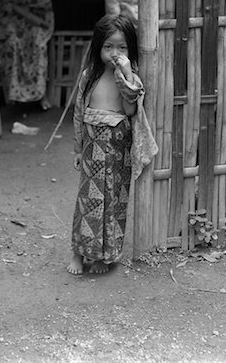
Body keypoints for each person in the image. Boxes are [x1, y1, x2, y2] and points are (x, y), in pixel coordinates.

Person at [67, 14, 145, 275]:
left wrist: (125, 73)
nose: (115, 53)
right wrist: (78, 148)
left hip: (117, 146)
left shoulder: (130, 79)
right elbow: (79, 113)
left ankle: (105, 256)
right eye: (108, 46)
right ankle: (79, 253)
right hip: (92, 145)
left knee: (113, 200)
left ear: (130, 50)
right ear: (98, 47)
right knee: (87, 201)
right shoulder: (89, 76)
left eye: (122, 47)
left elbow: (130, 109)